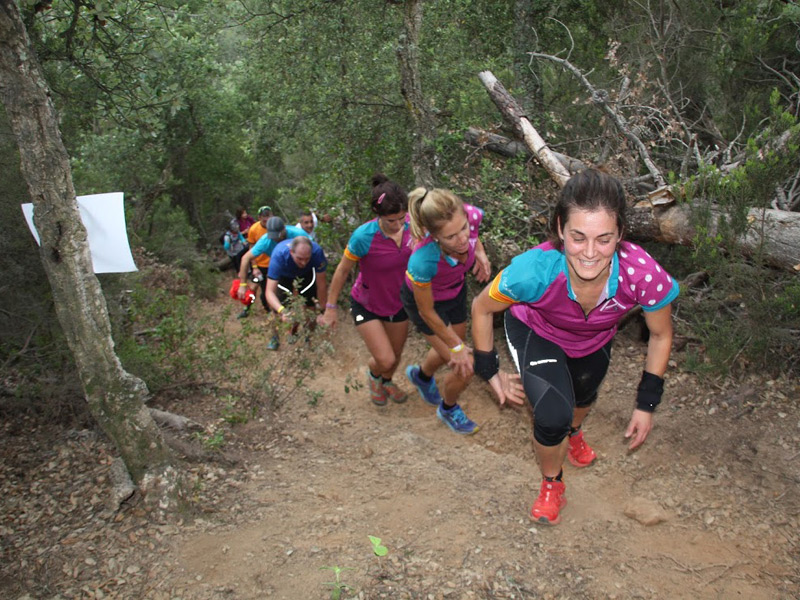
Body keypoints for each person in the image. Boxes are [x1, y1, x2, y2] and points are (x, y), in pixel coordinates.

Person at [470, 168, 680, 525]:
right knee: (552, 416)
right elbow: (481, 307)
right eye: (578, 237)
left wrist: (647, 403)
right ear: (559, 229)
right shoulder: (533, 271)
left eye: (604, 239)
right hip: (537, 331)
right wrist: (489, 371)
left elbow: (661, 335)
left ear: (621, 235)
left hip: (594, 339)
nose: (589, 252)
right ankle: (552, 482)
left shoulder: (640, 273)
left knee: (582, 397)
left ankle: (574, 431)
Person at [401, 187, 491, 434]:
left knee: (453, 344)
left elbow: (474, 235)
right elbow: (427, 312)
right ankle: (448, 409)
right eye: (451, 237)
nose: (462, 239)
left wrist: (480, 253)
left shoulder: (470, 216)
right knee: (464, 365)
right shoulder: (423, 259)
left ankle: (421, 376)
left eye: (463, 229)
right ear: (435, 236)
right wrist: (457, 348)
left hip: (454, 289)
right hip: (427, 304)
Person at [318, 174, 412, 406]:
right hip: (366, 304)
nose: (398, 225)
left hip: (399, 303)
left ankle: (387, 381)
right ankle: (373, 375)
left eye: (401, 218)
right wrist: (330, 308)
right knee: (385, 358)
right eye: (391, 221)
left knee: (396, 356)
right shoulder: (363, 237)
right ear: (378, 216)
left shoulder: (414, 226)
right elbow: (341, 272)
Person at [265, 236, 328, 350]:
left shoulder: (317, 252)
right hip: (284, 276)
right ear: (291, 252)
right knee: (276, 310)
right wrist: (282, 310)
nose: (303, 262)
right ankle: (275, 337)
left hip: (306, 275)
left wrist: (323, 311)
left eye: (307, 259)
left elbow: (321, 285)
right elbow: (269, 292)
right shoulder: (279, 255)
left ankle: (308, 335)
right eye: (299, 258)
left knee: (310, 307)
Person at [238, 216, 309, 317]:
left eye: (279, 235)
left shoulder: (298, 234)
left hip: (303, 267)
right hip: (282, 270)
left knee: (306, 299)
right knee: (279, 300)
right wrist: (242, 285)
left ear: (284, 229)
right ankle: (278, 328)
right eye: (274, 236)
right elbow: (245, 258)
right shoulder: (265, 241)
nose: (277, 239)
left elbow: (314, 250)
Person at [241, 206, 273, 317]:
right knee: (253, 288)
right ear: (259, 217)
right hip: (259, 265)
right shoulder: (254, 229)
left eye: (269, 215)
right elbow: (251, 248)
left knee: (267, 291)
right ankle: (247, 308)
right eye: (264, 216)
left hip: (272, 265)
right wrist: (254, 267)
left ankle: (269, 311)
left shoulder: (274, 227)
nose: (267, 219)